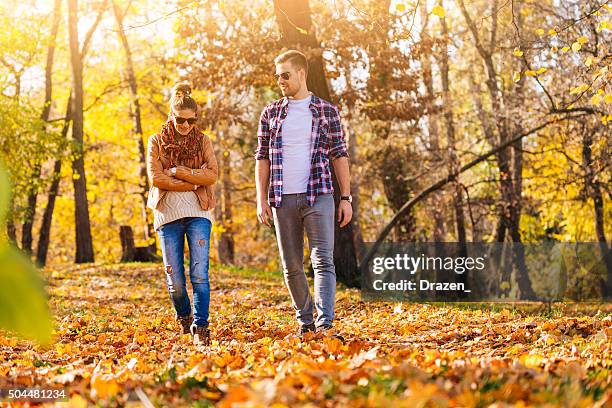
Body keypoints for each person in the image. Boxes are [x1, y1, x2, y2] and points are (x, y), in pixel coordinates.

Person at [255, 50, 352, 339]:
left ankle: (325, 325)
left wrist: (345, 197)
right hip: (282, 198)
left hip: (319, 194)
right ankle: (306, 320)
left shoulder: (326, 111)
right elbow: (262, 158)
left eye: (285, 75)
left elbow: (339, 155)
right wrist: (261, 199)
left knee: (323, 260)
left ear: (301, 74)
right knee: (292, 266)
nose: (280, 80)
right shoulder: (271, 113)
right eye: (277, 76)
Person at [146, 82, 218, 346]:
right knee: (174, 278)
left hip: (199, 212)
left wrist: (178, 172)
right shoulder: (156, 141)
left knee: (199, 273)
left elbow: (212, 174)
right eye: (180, 120)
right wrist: (193, 181)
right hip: (167, 214)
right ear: (171, 115)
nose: (185, 125)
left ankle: (201, 327)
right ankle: (184, 315)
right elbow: (156, 178)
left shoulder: (203, 141)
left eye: (190, 121)